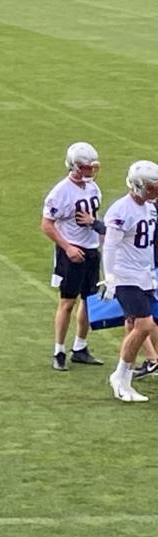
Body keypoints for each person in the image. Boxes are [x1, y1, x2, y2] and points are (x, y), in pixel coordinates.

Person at [41, 141, 104, 371]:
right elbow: (47, 224)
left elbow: (93, 219)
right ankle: (59, 350)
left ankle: (80, 347)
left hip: (90, 249)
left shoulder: (93, 188)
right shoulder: (61, 192)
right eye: (86, 167)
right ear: (75, 166)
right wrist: (67, 247)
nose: (90, 171)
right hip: (71, 251)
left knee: (90, 300)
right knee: (67, 302)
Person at [100, 161, 158, 402]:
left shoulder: (150, 208)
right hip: (126, 276)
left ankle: (126, 381)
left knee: (134, 325)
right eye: (152, 186)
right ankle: (120, 376)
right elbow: (110, 246)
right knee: (144, 326)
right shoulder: (120, 210)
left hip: (144, 275)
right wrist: (110, 277)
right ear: (138, 186)